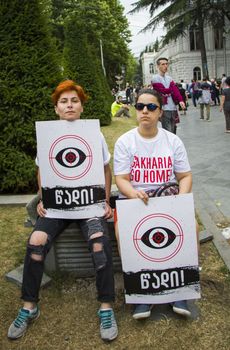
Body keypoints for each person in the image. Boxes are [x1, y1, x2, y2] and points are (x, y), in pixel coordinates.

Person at [7, 80, 118, 342]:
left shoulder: (94, 133)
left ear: (81, 106)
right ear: (56, 108)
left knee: (99, 244)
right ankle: (29, 307)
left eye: (75, 101)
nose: (70, 105)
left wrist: (105, 201)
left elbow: (104, 169)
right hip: (57, 207)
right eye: (64, 102)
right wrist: (44, 198)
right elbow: (41, 169)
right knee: (36, 241)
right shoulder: (48, 134)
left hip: (88, 205)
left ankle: (106, 308)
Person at [113, 88, 199, 320]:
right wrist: (134, 194)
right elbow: (121, 179)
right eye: (140, 106)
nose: (145, 111)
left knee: (190, 225)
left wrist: (181, 199)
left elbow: (185, 176)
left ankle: (179, 288)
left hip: (167, 199)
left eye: (151, 107)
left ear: (160, 112)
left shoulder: (172, 141)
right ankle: (143, 293)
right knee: (123, 232)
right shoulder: (125, 141)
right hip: (135, 201)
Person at [151, 57, 185, 134]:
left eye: (166, 64)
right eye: (163, 64)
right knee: (168, 132)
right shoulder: (155, 78)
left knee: (173, 130)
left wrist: (181, 100)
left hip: (172, 107)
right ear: (158, 66)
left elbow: (175, 90)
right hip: (164, 108)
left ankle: (172, 145)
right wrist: (171, 89)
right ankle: (169, 145)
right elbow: (162, 90)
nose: (165, 66)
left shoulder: (169, 78)